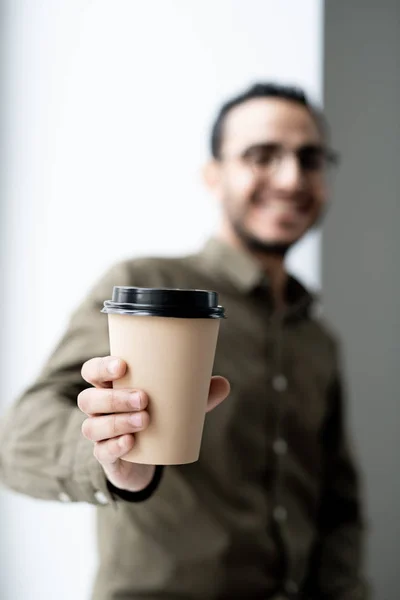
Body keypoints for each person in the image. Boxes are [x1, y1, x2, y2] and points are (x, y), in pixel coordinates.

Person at [0, 83, 368, 600]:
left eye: (309, 159)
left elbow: (338, 507)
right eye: (262, 156)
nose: (291, 178)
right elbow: (15, 442)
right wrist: (110, 459)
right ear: (214, 176)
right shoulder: (142, 284)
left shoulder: (317, 339)